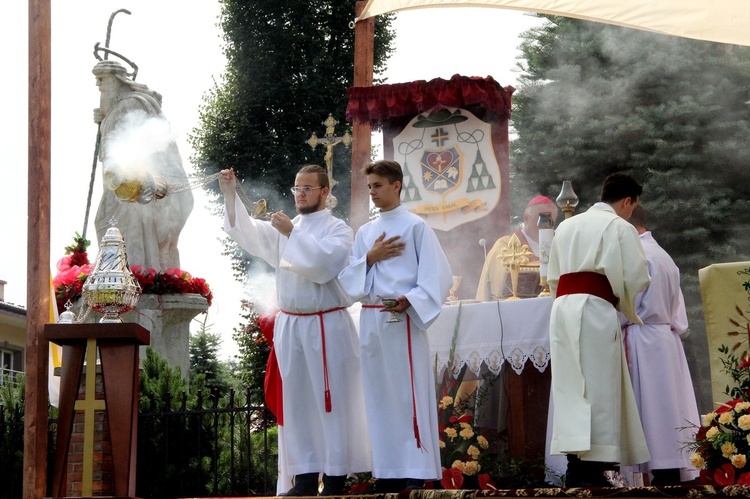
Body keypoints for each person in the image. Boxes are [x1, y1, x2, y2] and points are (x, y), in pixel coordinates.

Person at [219, 165, 371, 496]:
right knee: (298, 403)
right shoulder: (288, 228)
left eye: (307, 188)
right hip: (291, 324)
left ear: (324, 192)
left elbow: (324, 266)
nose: (299, 194)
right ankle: (303, 479)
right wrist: (231, 194)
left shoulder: (339, 230)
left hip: (326, 324)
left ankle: (334, 479)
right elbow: (249, 233)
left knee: (332, 403)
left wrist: (291, 233)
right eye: (296, 188)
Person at [338, 160, 452, 492]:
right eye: (370, 186)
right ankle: (386, 470)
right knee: (378, 395)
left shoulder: (416, 227)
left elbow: (437, 276)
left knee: (406, 393)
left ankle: (413, 470)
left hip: (403, 320)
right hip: (373, 320)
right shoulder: (365, 233)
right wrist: (370, 257)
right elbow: (349, 283)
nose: (372, 192)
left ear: (396, 186)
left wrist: (412, 299)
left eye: (377, 185)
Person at [547, 172, 651, 487]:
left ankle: (574, 464)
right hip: (594, 310)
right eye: (633, 206)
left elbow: (553, 277)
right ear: (628, 200)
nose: (631, 212)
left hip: (563, 311)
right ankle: (590, 471)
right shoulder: (620, 227)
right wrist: (624, 305)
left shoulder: (566, 226)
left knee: (572, 388)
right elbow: (635, 277)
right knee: (599, 388)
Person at [622, 205, 700, 485]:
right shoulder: (664, 256)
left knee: (652, 413)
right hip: (666, 340)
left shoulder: (637, 256)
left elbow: (624, 308)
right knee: (668, 410)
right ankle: (669, 473)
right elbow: (681, 320)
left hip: (643, 340)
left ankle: (660, 475)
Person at [92, 59, 193, 271]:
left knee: (126, 231)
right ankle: (121, 275)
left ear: (117, 80)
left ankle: (138, 274)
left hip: (131, 187)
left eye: (102, 79)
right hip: (116, 185)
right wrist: (104, 120)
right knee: (106, 225)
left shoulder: (132, 103)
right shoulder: (118, 107)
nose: (98, 85)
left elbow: (145, 146)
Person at [476, 196, 559, 301]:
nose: (546, 224)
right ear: (526, 218)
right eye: (542, 218)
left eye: (551, 220)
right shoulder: (505, 244)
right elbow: (498, 279)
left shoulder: (556, 245)